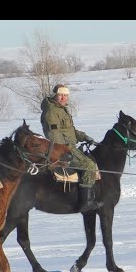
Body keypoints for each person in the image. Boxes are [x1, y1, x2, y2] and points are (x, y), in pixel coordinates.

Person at [40, 84, 103, 212]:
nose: (63, 98)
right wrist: (65, 151)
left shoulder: (61, 109)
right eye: (61, 95)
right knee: (89, 165)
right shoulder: (52, 111)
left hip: (69, 145)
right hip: (62, 148)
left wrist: (85, 137)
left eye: (66, 95)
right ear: (55, 95)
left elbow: (70, 130)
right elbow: (54, 134)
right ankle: (86, 202)